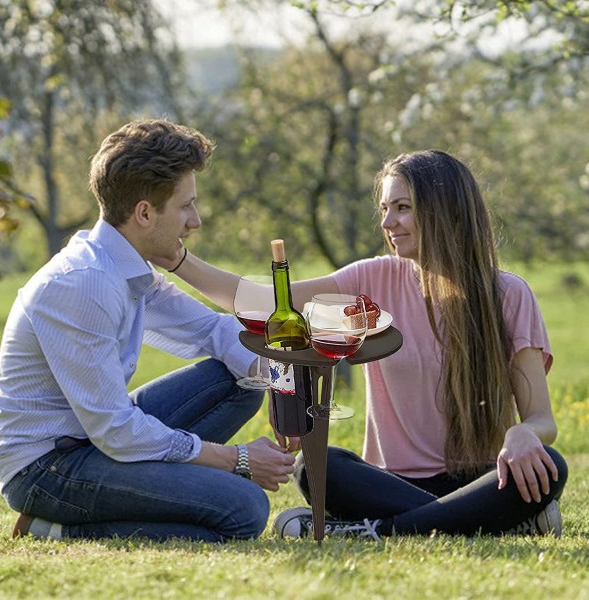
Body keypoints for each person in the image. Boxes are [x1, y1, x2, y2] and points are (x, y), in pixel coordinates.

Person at [164, 149, 568, 540]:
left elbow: (541, 420)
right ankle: (485, 521)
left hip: (481, 479)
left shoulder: (509, 294)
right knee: (318, 467)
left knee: (551, 465)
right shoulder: (374, 279)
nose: (388, 222)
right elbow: (264, 301)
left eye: (403, 207)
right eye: (385, 209)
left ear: (446, 209)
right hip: (387, 483)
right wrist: (178, 259)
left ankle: (376, 530)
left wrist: (523, 434)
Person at [0, 119, 295, 542]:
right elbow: (115, 429)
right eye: (186, 206)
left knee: (242, 379)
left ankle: (144, 493)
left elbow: (214, 331)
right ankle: (54, 527)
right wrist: (237, 459)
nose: (196, 221)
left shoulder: (127, 266)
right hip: (48, 468)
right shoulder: (85, 282)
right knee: (245, 508)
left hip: (92, 440)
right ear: (145, 213)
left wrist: (286, 389)